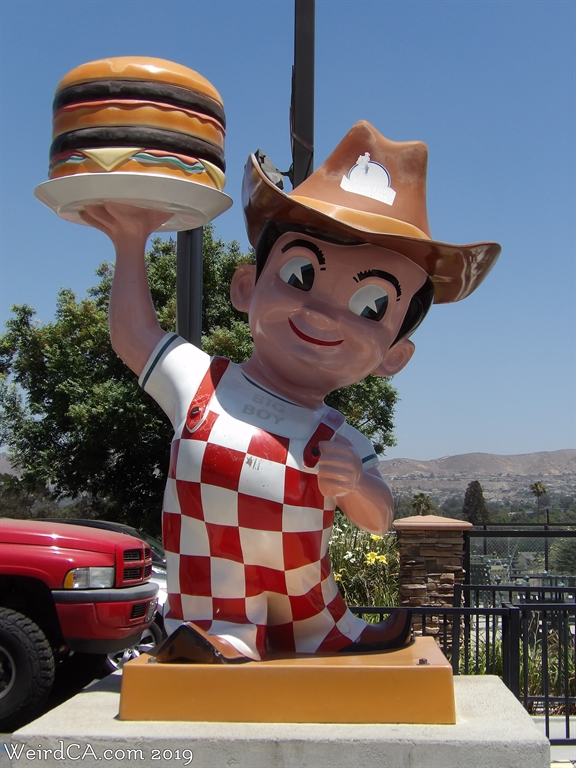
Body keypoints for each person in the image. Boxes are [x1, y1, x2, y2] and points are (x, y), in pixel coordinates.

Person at [82, 121, 500, 663]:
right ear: (246, 286)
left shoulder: (341, 436)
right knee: (218, 612)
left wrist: (354, 485)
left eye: (371, 306)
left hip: (309, 604)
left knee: (315, 611)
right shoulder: (201, 382)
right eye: (300, 275)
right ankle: (221, 635)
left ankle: (325, 632)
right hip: (215, 596)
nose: (322, 314)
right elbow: (135, 335)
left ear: (393, 357)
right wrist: (129, 239)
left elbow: (379, 519)